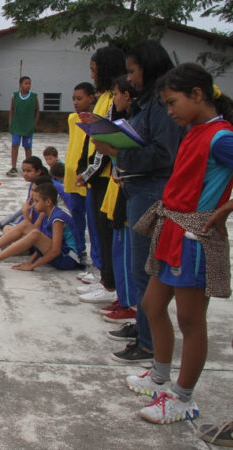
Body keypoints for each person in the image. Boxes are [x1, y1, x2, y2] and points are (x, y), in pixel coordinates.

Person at [123, 63, 233, 424]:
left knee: (190, 320)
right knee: (153, 305)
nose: (169, 112)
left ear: (197, 95)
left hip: (194, 238)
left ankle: (183, 399)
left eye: (172, 103)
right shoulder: (195, 131)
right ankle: (158, 377)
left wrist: (227, 206)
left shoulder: (221, 137)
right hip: (171, 229)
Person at [92, 41, 184, 364]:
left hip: (151, 193)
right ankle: (144, 329)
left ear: (150, 67)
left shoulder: (161, 107)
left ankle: (148, 344)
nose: (129, 79)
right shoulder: (146, 104)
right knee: (139, 269)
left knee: (145, 271)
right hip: (137, 188)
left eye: (133, 71)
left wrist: (118, 153)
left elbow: (162, 154)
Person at [75, 46, 127, 305]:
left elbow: (104, 141)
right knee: (99, 231)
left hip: (106, 176)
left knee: (107, 233)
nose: (92, 76)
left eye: (95, 71)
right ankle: (105, 277)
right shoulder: (105, 96)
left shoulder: (113, 96)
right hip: (99, 176)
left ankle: (110, 284)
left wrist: (88, 173)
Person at [92, 75, 139, 323]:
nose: (114, 97)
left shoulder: (134, 123)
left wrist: (109, 150)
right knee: (119, 246)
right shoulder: (128, 119)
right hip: (118, 187)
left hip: (128, 191)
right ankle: (123, 299)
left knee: (128, 254)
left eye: (117, 93)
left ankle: (130, 303)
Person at [0, 183, 82, 275]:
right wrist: (30, 260)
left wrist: (32, 266)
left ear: (48, 202)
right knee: (25, 224)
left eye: (37, 201)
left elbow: (55, 250)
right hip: (61, 253)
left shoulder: (57, 219)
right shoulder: (49, 212)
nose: (33, 205)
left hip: (68, 259)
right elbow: (45, 241)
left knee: (35, 233)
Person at [64, 82, 95, 263]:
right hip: (71, 174)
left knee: (91, 216)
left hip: (88, 174)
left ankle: (95, 255)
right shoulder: (71, 119)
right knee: (75, 213)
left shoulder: (96, 120)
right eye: (74, 99)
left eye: (79, 98)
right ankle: (79, 247)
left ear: (91, 98)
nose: (76, 102)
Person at [0, 156, 50, 231]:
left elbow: (33, 225)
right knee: (8, 225)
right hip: (29, 218)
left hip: (34, 223)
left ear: (38, 172)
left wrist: (24, 212)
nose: (25, 174)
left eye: (28, 171)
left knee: (8, 228)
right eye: (23, 171)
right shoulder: (33, 183)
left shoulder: (42, 187)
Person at [7, 76, 40, 176]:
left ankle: (28, 167)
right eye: (26, 83)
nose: (28, 85)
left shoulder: (34, 97)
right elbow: (11, 109)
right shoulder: (15, 96)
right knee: (14, 145)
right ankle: (13, 167)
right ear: (20, 85)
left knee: (27, 147)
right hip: (17, 125)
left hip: (28, 126)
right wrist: (10, 123)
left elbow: (37, 110)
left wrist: (34, 124)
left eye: (29, 83)